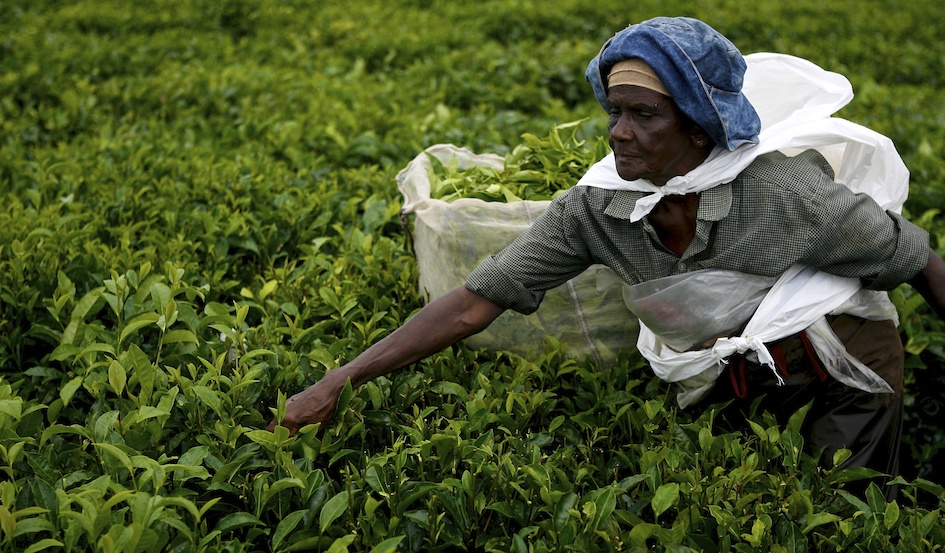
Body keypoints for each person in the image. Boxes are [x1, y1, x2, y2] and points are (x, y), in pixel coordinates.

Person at [268, 17, 945, 493]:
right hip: (723, 369)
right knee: (741, 493)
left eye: (643, 114)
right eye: (613, 112)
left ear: (698, 120)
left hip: (842, 364)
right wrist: (339, 380)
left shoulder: (784, 195)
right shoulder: (598, 204)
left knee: (837, 500)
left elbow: (917, 258)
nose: (619, 134)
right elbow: (475, 302)